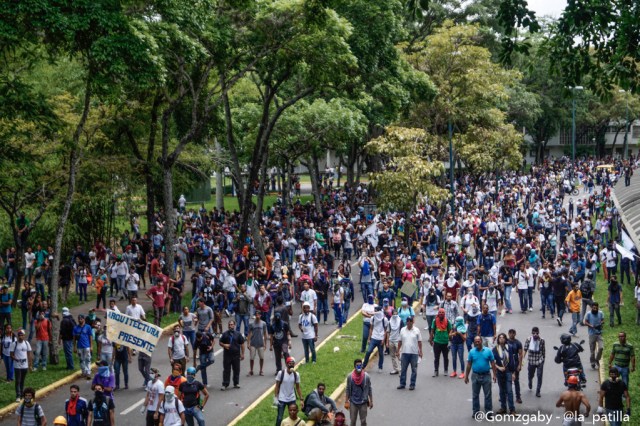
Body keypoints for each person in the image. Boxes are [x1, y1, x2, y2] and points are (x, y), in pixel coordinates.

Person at [464, 336, 497, 418]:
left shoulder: (488, 351)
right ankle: (475, 412)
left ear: (481, 341)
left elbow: (493, 363)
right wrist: (466, 376)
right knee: (475, 395)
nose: (477, 343)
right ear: (474, 342)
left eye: (478, 341)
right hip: (475, 375)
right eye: (475, 341)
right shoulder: (471, 352)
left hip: (486, 375)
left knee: (488, 395)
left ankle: (488, 412)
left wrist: (494, 375)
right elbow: (469, 365)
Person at [274, 356, 303, 426]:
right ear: (286, 364)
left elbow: (298, 387)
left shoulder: (296, 375)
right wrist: (275, 397)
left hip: (292, 398)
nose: (291, 365)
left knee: (293, 416)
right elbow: (277, 385)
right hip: (282, 398)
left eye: (292, 363)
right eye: (289, 363)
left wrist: (301, 399)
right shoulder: (281, 373)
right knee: (280, 418)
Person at [344, 359, 373, 426]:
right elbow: (348, 389)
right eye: (357, 365)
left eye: (360, 365)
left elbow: (369, 389)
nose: (359, 367)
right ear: (354, 366)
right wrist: (346, 401)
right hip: (353, 402)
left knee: (363, 421)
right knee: (353, 421)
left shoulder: (366, 377)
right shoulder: (350, 377)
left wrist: (371, 401)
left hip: (363, 402)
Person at [219, 319, 245, 390]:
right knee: (226, 370)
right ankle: (225, 384)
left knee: (236, 369)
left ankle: (236, 383)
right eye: (229, 325)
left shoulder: (238, 334)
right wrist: (224, 345)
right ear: (228, 326)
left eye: (232, 324)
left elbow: (242, 344)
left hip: (236, 355)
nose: (230, 326)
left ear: (234, 325)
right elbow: (220, 342)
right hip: (227, 355)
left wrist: (242, 354)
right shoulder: (225, 334)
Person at [397, 316, 423, 390]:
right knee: (403, 369)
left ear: (412, 322)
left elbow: (420, 342)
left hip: (414, 353)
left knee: (414, 370)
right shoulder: (402, 330)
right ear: (406, 322)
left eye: (410, 321)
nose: (409, 322)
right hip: (404, 352)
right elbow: (400, 341)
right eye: (407, 321)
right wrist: (398, 351)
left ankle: (412, 384)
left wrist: (421, 351)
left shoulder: (417, 330)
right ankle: (402, 383)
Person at [493, 333, 515, 415]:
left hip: (508, 371)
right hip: (500, 372)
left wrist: (513, 373)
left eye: (503, 338)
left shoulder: (510, 348)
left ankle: (512, 409)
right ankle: (503, 408)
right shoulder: (495, 349)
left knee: (509, 391)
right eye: (500, 338)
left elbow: (512, 360)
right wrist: (498, 368)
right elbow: (492, 362)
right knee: (501, 391)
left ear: (505, 339)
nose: (501, 339)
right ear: (498, 340)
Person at [363, 306, 387, 372]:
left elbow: (385, 330)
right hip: (374, 338)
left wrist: (383, 340)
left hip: (380, 338)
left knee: (381, 353)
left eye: (376, 311)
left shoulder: (384, 319)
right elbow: (371, 328)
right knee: (368, 352)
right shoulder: (373, 318)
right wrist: (369, 338)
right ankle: (364, 366)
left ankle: (380, 367)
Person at [523, 326, 545, 397]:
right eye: (534, 333)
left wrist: (543, 359)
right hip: (531, 361)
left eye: (536, 333)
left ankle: (538, 391)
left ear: (538, 333)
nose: (535, 334)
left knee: (539, 376)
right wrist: (523, 358)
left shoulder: (542, 340)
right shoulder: (528, 339)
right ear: (532, 333)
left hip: (539, 360)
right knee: (530, 375)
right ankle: (530, 381)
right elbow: (525, 349)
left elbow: (543, 350)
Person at [11, 328, 32, 402]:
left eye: (22, 335)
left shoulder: (26, 343)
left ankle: (22, 394)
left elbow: (29, 355)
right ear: (17, 336)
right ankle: (18, 395)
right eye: (19, 335)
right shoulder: (14, 344)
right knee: (18, 381)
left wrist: (30, 365)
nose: (20, 336)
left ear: (24, 336)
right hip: (17, 366)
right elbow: (11, 354)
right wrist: (15, 358)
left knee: (22, 380)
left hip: (25, 366)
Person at [429, 308, 450, 377]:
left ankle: (446, 370)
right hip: (437, 342)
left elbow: (450, 331)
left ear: (444, 314)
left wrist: (450, 341)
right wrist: (431, 339)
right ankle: (436, 370)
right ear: (438, 313)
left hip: (445, 342)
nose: (441, 314)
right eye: (440, 312)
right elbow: (432, 330)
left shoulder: (447, 321)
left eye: (442, 313)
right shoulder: (434, 321)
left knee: (446, 357)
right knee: (436, 357)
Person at [583, 302, 604, 370]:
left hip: (599, 333)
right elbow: (585, 322)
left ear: (598, 307)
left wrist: (600, 323)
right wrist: (591, 325)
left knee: (601, 348)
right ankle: (592, 362)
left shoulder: (600, 313)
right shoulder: (588, 314)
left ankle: (597, 359)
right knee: (592, 351)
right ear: (591, 307)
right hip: (592, 334)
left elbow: (603, 320)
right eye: (593, 308)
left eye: (596, 308)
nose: (595, 309)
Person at [247, 310, 268, 376]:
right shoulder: (251, 324)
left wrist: (265, 344)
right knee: (252, 358)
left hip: (260, 343)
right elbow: (249, 334)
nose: (257, 316)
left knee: (261, 357)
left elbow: (265, 334)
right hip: (253, 343)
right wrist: (248, 343)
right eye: (256, 315)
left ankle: (261, 370)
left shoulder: (263, 323)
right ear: (255, 316)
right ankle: (251, 370)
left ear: (260, 315)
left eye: (258, 315)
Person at [73, 314, 94, 380]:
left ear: (84, 319)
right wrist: (74, 347)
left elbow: (90, 337)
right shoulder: (75, 328)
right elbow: (74, 338)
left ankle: (88, 372)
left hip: (86, 346)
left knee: (88, 359)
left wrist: (91, 346)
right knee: (81, 360)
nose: (80, 320)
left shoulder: (88, 327)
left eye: (81, 319)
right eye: (79, 319)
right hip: (79, 346)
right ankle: (83, 371)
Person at [507, 329, 524, 404]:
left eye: (513, 333)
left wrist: (520, 365)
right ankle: (506, 396)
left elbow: (520, 355)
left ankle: (518, 397)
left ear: (515, 334)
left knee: (516, 380)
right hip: (507, 362)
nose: (511, 334)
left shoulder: (518, 343)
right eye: (510, 333)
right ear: (508, 334)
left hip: (515, 362)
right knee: (507, 380)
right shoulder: (506, 342)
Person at [386, 309, 402, 375]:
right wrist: (387, 341)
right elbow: (388, 332)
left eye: (396, 314)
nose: (395, 315)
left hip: (398, 341)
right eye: (394, 314)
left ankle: (402, 368)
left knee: (399, 355)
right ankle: (396, 369)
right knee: (392, 356)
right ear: (392, 314)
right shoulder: (389, 322)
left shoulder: (400, 321)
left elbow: (402, 331)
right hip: (391, 340)